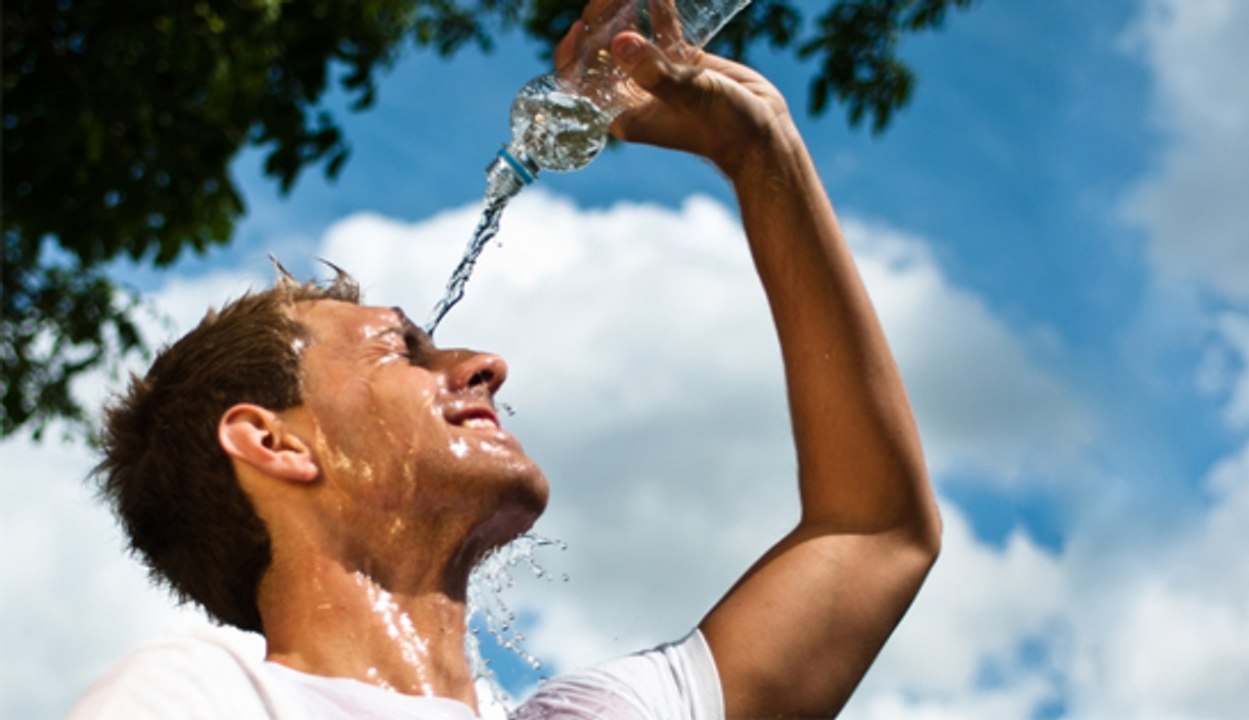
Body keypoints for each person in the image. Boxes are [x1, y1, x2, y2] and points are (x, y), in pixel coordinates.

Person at [72, 12, 941, 720]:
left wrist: (765, 154)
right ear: (271, 441)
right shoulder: (206, 697)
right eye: (398, 348)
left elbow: (873, 530)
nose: (488, 363)